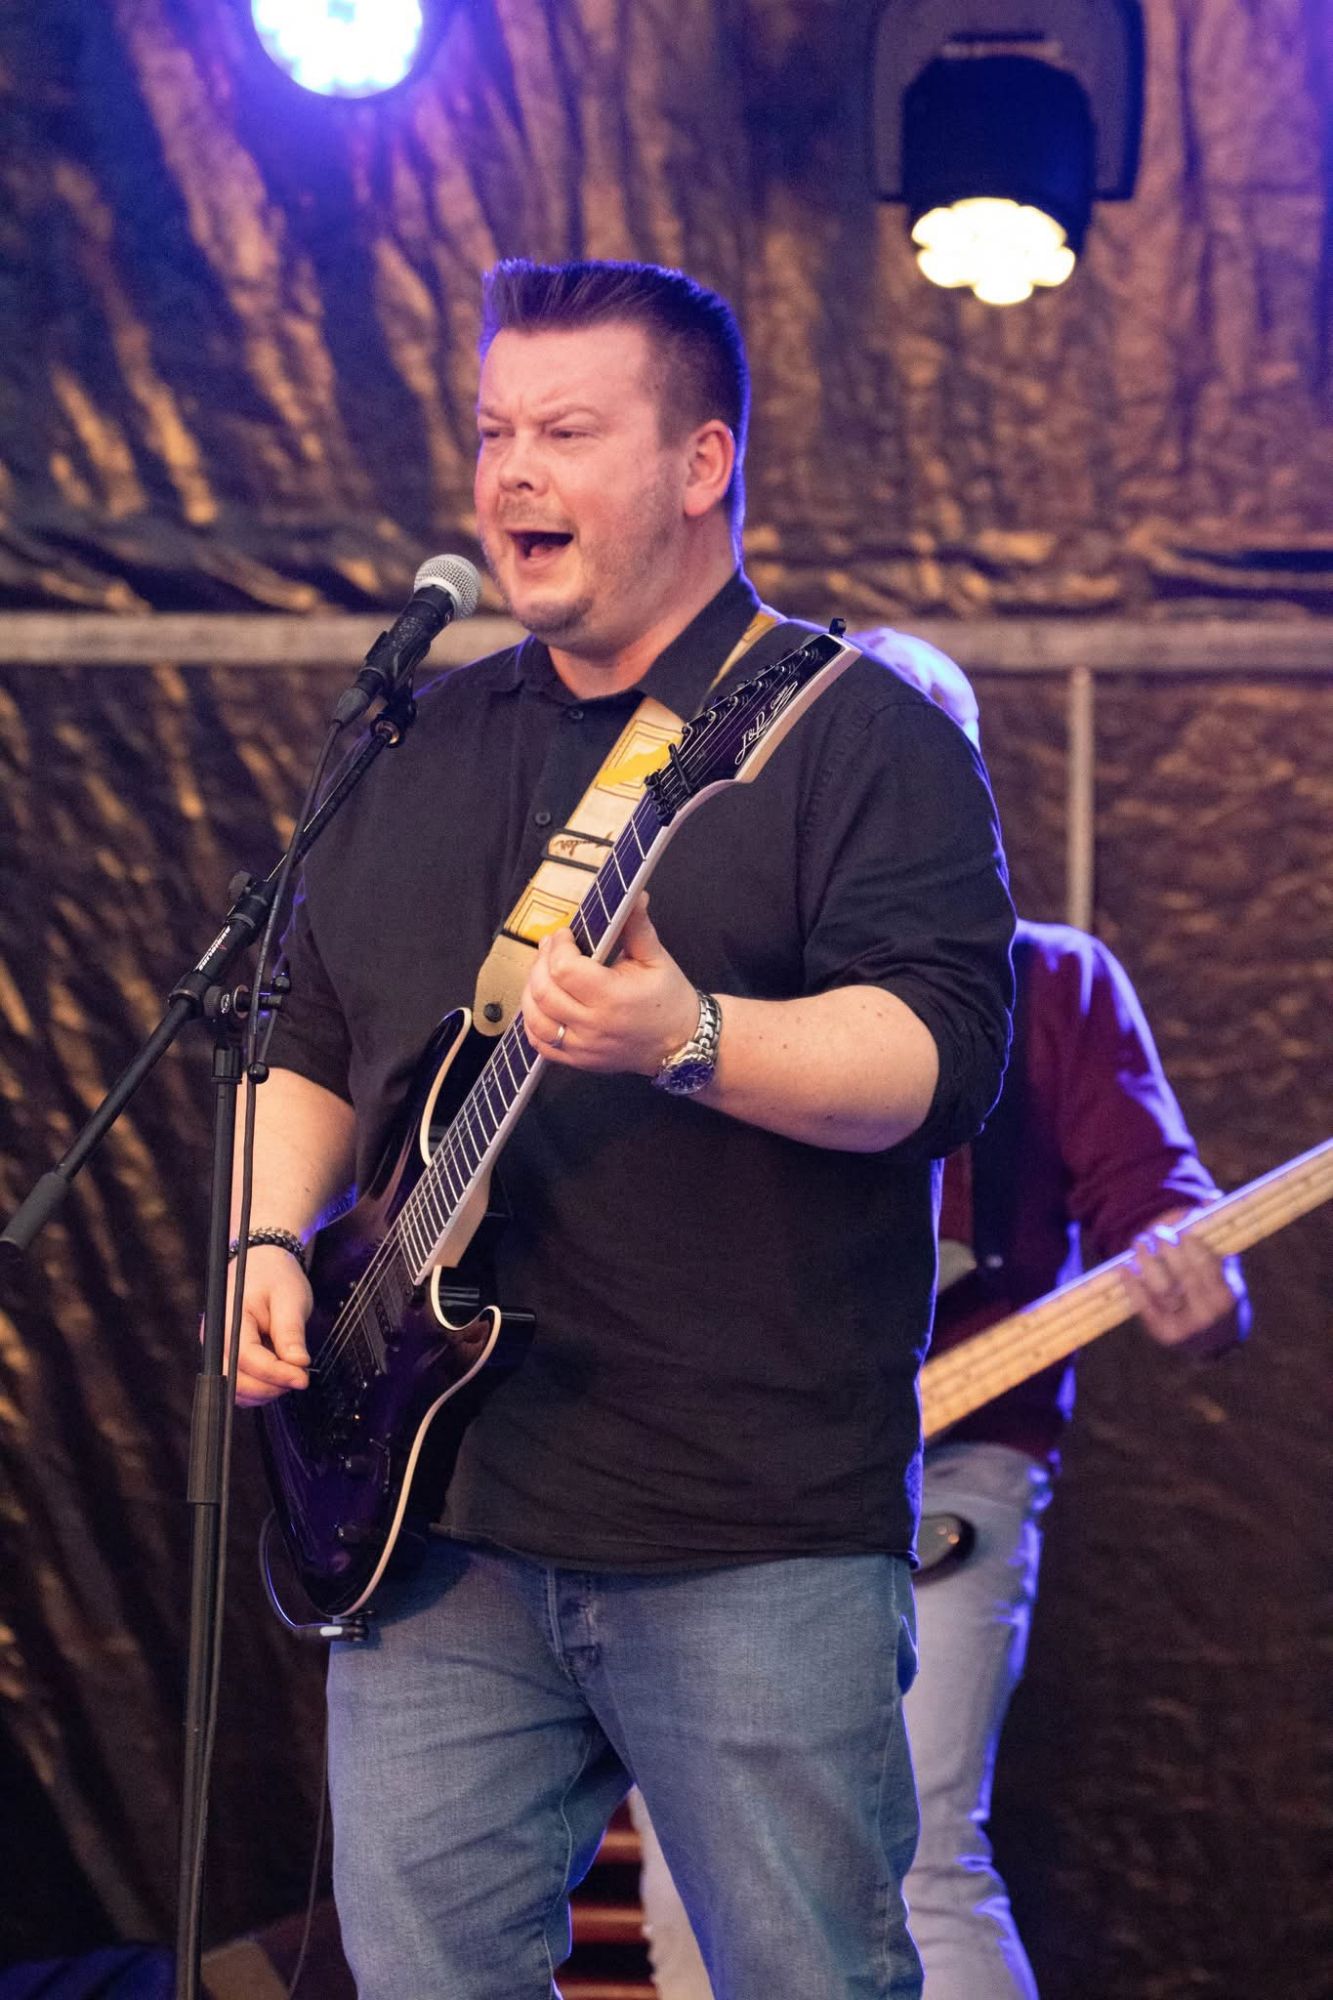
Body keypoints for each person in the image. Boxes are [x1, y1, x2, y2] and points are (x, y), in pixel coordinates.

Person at [228, 261, 1015, 1999]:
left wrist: (692, 1038)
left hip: (745, 1525)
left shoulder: (845, 735)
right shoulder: (415, 739)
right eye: (493, 431)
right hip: (434, 1519)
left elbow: (939, 1057)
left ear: (701, 463)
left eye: (567, 433)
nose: (510, 471)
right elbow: (307, 1028)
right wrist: (272, 1239)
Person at [629, 631, 1249, 2000]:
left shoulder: (1055, 982)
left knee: (914, 1856)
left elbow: (1163, 1212)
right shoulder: (719, 984)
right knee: (696, 1876)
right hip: (736, 1477)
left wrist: (1193, 1283)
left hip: (950, 1459)